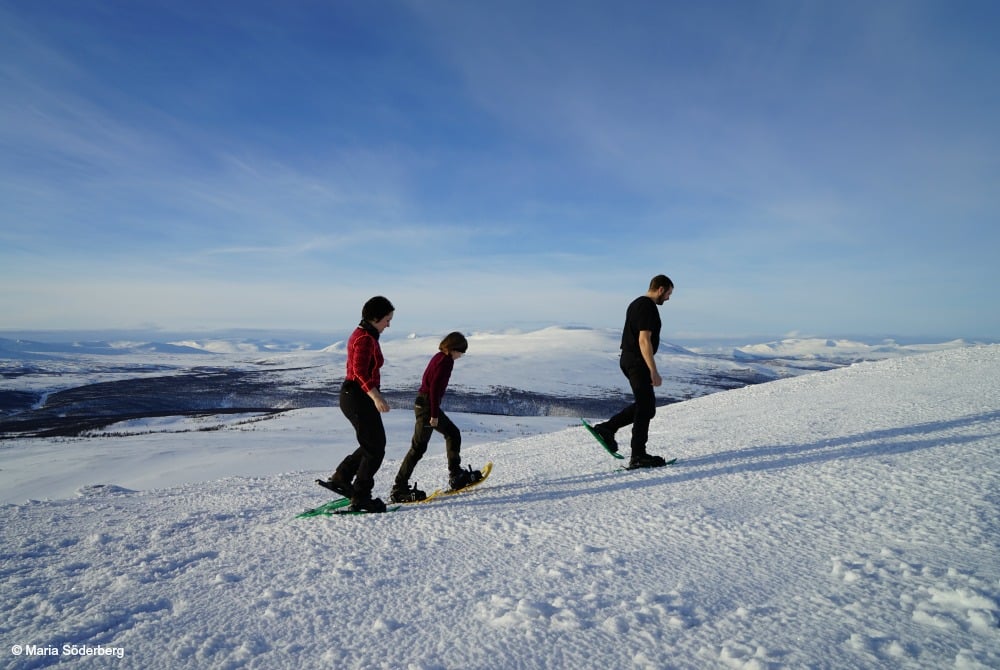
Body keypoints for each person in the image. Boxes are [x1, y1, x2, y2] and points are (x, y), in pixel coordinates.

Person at [319, 296, 395, 513]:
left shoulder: (367, 335)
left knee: (373, 444)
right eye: (386, 320)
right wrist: (376, 397)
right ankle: (361, 496)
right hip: (357, 396)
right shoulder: (364, 338)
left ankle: (342, 477)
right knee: (375, 449)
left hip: (357, 396)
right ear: (374, 317)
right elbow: (359, 372)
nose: (388, 324)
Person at [591, 275, 674, 468]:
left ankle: (607, 429)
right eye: (669, 293)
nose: (668, 298)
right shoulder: (647, 306)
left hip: (629, 359)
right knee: (646, 407)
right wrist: (653, 370)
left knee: (646, 406)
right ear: (660, 289)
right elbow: (643, 340)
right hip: (637, 361)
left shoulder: (635, 304)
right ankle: (638, 455)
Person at [390, 332, 481, 502]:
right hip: (427, 406)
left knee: (453, 433)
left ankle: (456, 475)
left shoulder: (439, 357)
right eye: (461, 352)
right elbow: (433, 389)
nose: (461, 356)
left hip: (426, 403)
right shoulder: (445, 361)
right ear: (453, 349)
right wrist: (434, 415)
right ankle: (399, 488)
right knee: (418, 448)